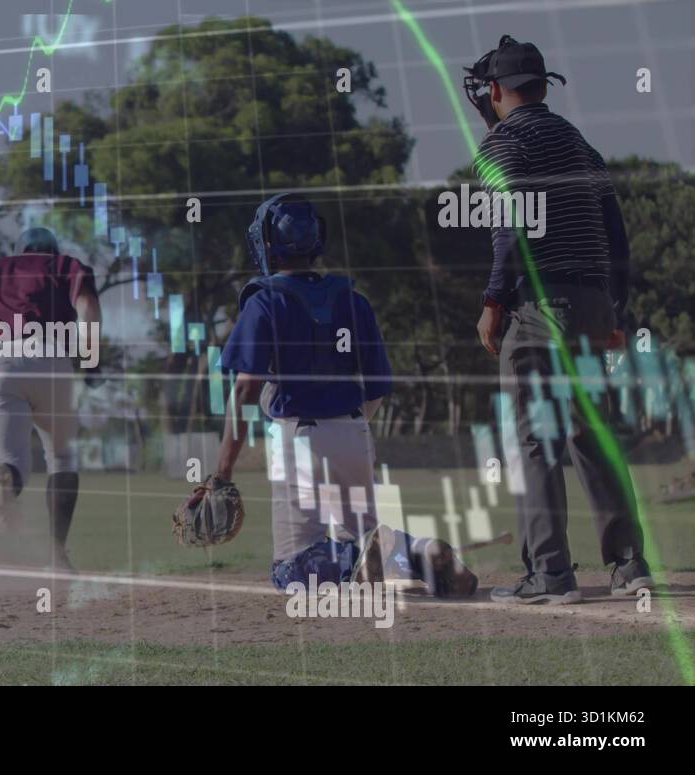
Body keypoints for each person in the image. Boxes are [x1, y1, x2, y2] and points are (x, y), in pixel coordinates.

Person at [465, 35, 653, 603]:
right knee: (594, 434)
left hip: (539, 305)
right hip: (595, 303)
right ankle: (628, 565)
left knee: (533, 439)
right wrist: (614, 309)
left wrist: (494, 302)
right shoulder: (580, 144)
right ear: (544, 87)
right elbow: (616, 236)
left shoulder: (501, 146)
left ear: (496, 90)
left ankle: (550, 574)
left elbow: (509, 228)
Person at [212, 194, 476, 597]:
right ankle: (420, 552)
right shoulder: (353, 299)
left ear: (267, 243)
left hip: (299, 437)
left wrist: (222, 472)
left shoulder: (265, 300)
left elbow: (246, 388)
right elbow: (379, 385)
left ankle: (355, 561)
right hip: (354, 432)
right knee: (365, 535)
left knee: (291, 571)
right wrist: (349, 427)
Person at [0, 227, 101, 573]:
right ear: (52, 249)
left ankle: (4, 477)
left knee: (10, 461)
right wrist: (91, 359)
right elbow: (88, 306)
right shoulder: (65, 266)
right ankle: (57, 555)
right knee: (62, 458)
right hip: (52, 358)